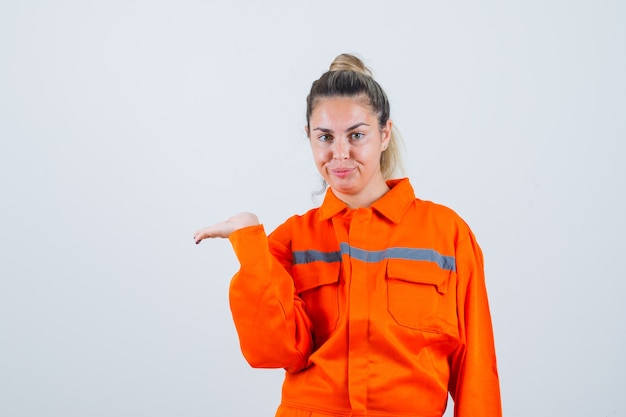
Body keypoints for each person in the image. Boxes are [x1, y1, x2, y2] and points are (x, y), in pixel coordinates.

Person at [194, 53, 502, 417]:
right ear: (308, 137)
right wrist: (249, 243)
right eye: (325, 137)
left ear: (384, 134)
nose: (340, 153)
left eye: (357, 135)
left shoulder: (446, 234)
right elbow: (274, 353)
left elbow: (476, 369)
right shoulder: (291, 240)